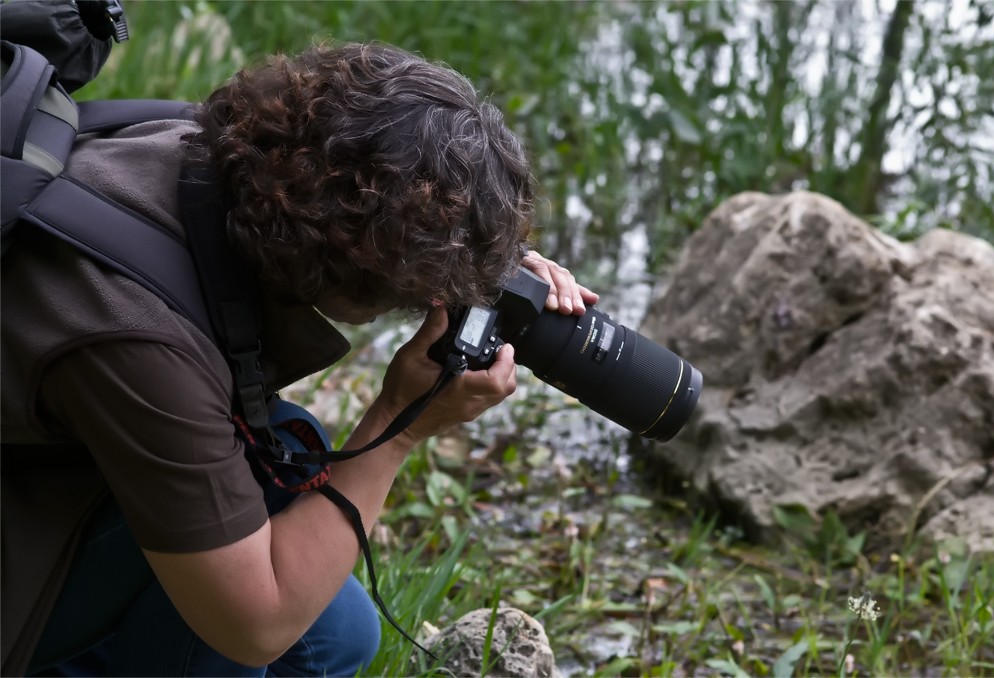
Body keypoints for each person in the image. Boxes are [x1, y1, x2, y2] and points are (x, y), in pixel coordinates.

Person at [0, 42, 598, 676]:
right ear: (353, 265)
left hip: (47, 473)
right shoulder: (139, 340)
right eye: (422, 283)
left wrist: (487, 257)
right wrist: (400, 424)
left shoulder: (214, 158)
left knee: (335, 632)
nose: (430, 299)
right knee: (278, 584)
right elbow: (257, 627)